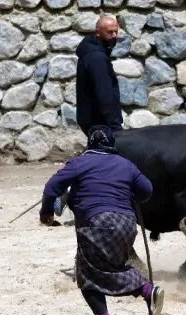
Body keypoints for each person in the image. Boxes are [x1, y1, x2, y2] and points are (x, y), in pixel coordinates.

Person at [39, 126, 165, 315]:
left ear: (90, 143)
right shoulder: (126, 164)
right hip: (126, 224)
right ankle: (146, 292)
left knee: (86, 272)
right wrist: (130, 195)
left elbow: (52, 186)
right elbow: (147, 190)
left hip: (97, 221)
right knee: (111, 267)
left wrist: (46, 213)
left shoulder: (80, 162)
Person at [56, 16, 125, 218]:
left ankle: (68, 191)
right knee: (100, 161)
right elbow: (104, 94)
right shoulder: (96, 58)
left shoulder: (94, 53)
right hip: (100, 121)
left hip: (93, 118)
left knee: (96, 160)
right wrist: (114, 125)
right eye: (109, 32)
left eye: (115, 32)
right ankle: (66, 191)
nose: (113, 36)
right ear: (98, 33)